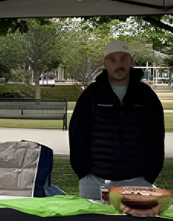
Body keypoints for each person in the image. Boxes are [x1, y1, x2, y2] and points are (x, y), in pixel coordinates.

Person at [69, 41, 165, 211]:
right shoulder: (91, 94)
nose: (118, 64)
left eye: (123, 59)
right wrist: (84, 173)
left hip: (138, 183)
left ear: (131, 62)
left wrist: (150, 175)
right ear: (105, 64)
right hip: (96, 183)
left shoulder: (146, 95)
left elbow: (157, 136)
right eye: (112, 60)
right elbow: (77, 134)